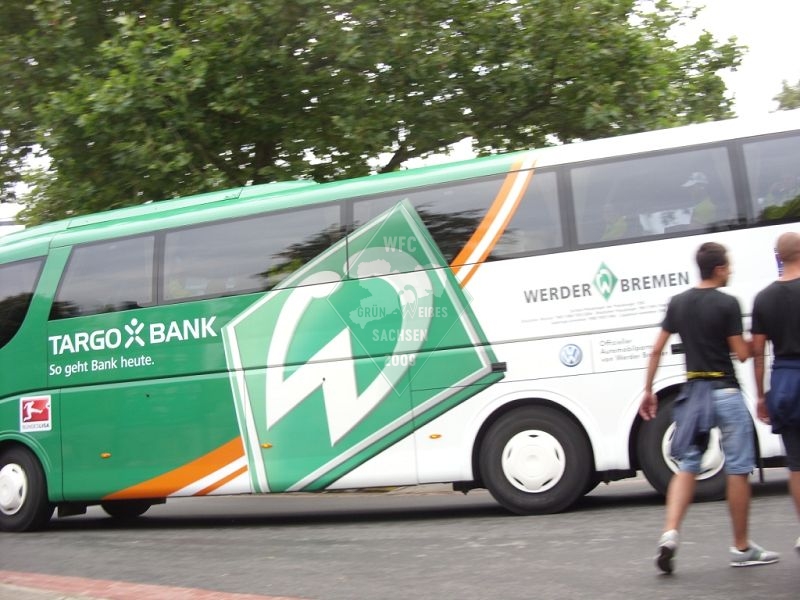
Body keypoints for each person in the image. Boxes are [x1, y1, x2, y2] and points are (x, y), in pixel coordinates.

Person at [639, 241, 780, 574]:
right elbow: (742, 354)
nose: (731, 271)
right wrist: (758, 337)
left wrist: (648, 389)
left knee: (688, 465)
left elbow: (656, 349)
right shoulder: (727, 303)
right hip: (725, 391)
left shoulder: (678, 303)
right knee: (738, 468)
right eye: (728, 265)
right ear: (718, 269)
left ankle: (670, 533)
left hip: (694, 394)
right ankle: (741, 547)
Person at [751, 231, 800, 555]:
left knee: (796, 463)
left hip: (786, 381)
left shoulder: (764, 298)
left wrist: (761, 396)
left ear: (778, 257)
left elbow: (758, 353)